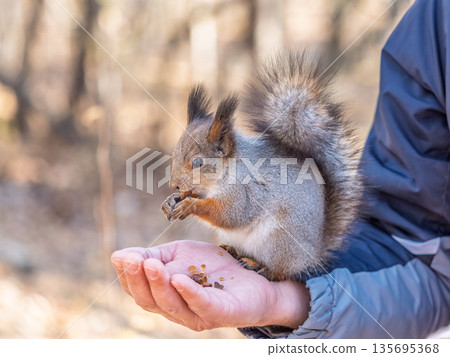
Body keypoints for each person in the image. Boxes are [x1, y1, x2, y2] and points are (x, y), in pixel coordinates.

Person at [111, 0, 450, 338]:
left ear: (223, 149)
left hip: (287, 240)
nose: (177, 180)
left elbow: (235, 214)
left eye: (196, 165)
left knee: (270, 218)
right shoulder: (434, 23)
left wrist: (196, 206)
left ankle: (272, 268)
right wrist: (283, 305)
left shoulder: (239, 176)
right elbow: (413, 242)